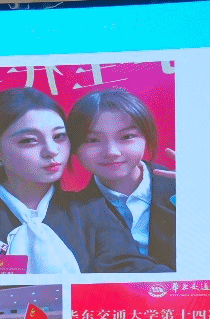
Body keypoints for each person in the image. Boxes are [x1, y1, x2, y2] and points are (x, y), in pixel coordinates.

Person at [0, 87, 167, 274]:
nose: (51, 150)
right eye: (29, 140)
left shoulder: (91, 210)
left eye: (59, 136)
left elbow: (129, 266)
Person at [67, 87, 177, 271]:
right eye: (92, 140)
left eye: (127, 137)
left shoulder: (183, 189)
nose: (112, 152)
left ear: (146, 137)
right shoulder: (70, 212)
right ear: (74, 147)